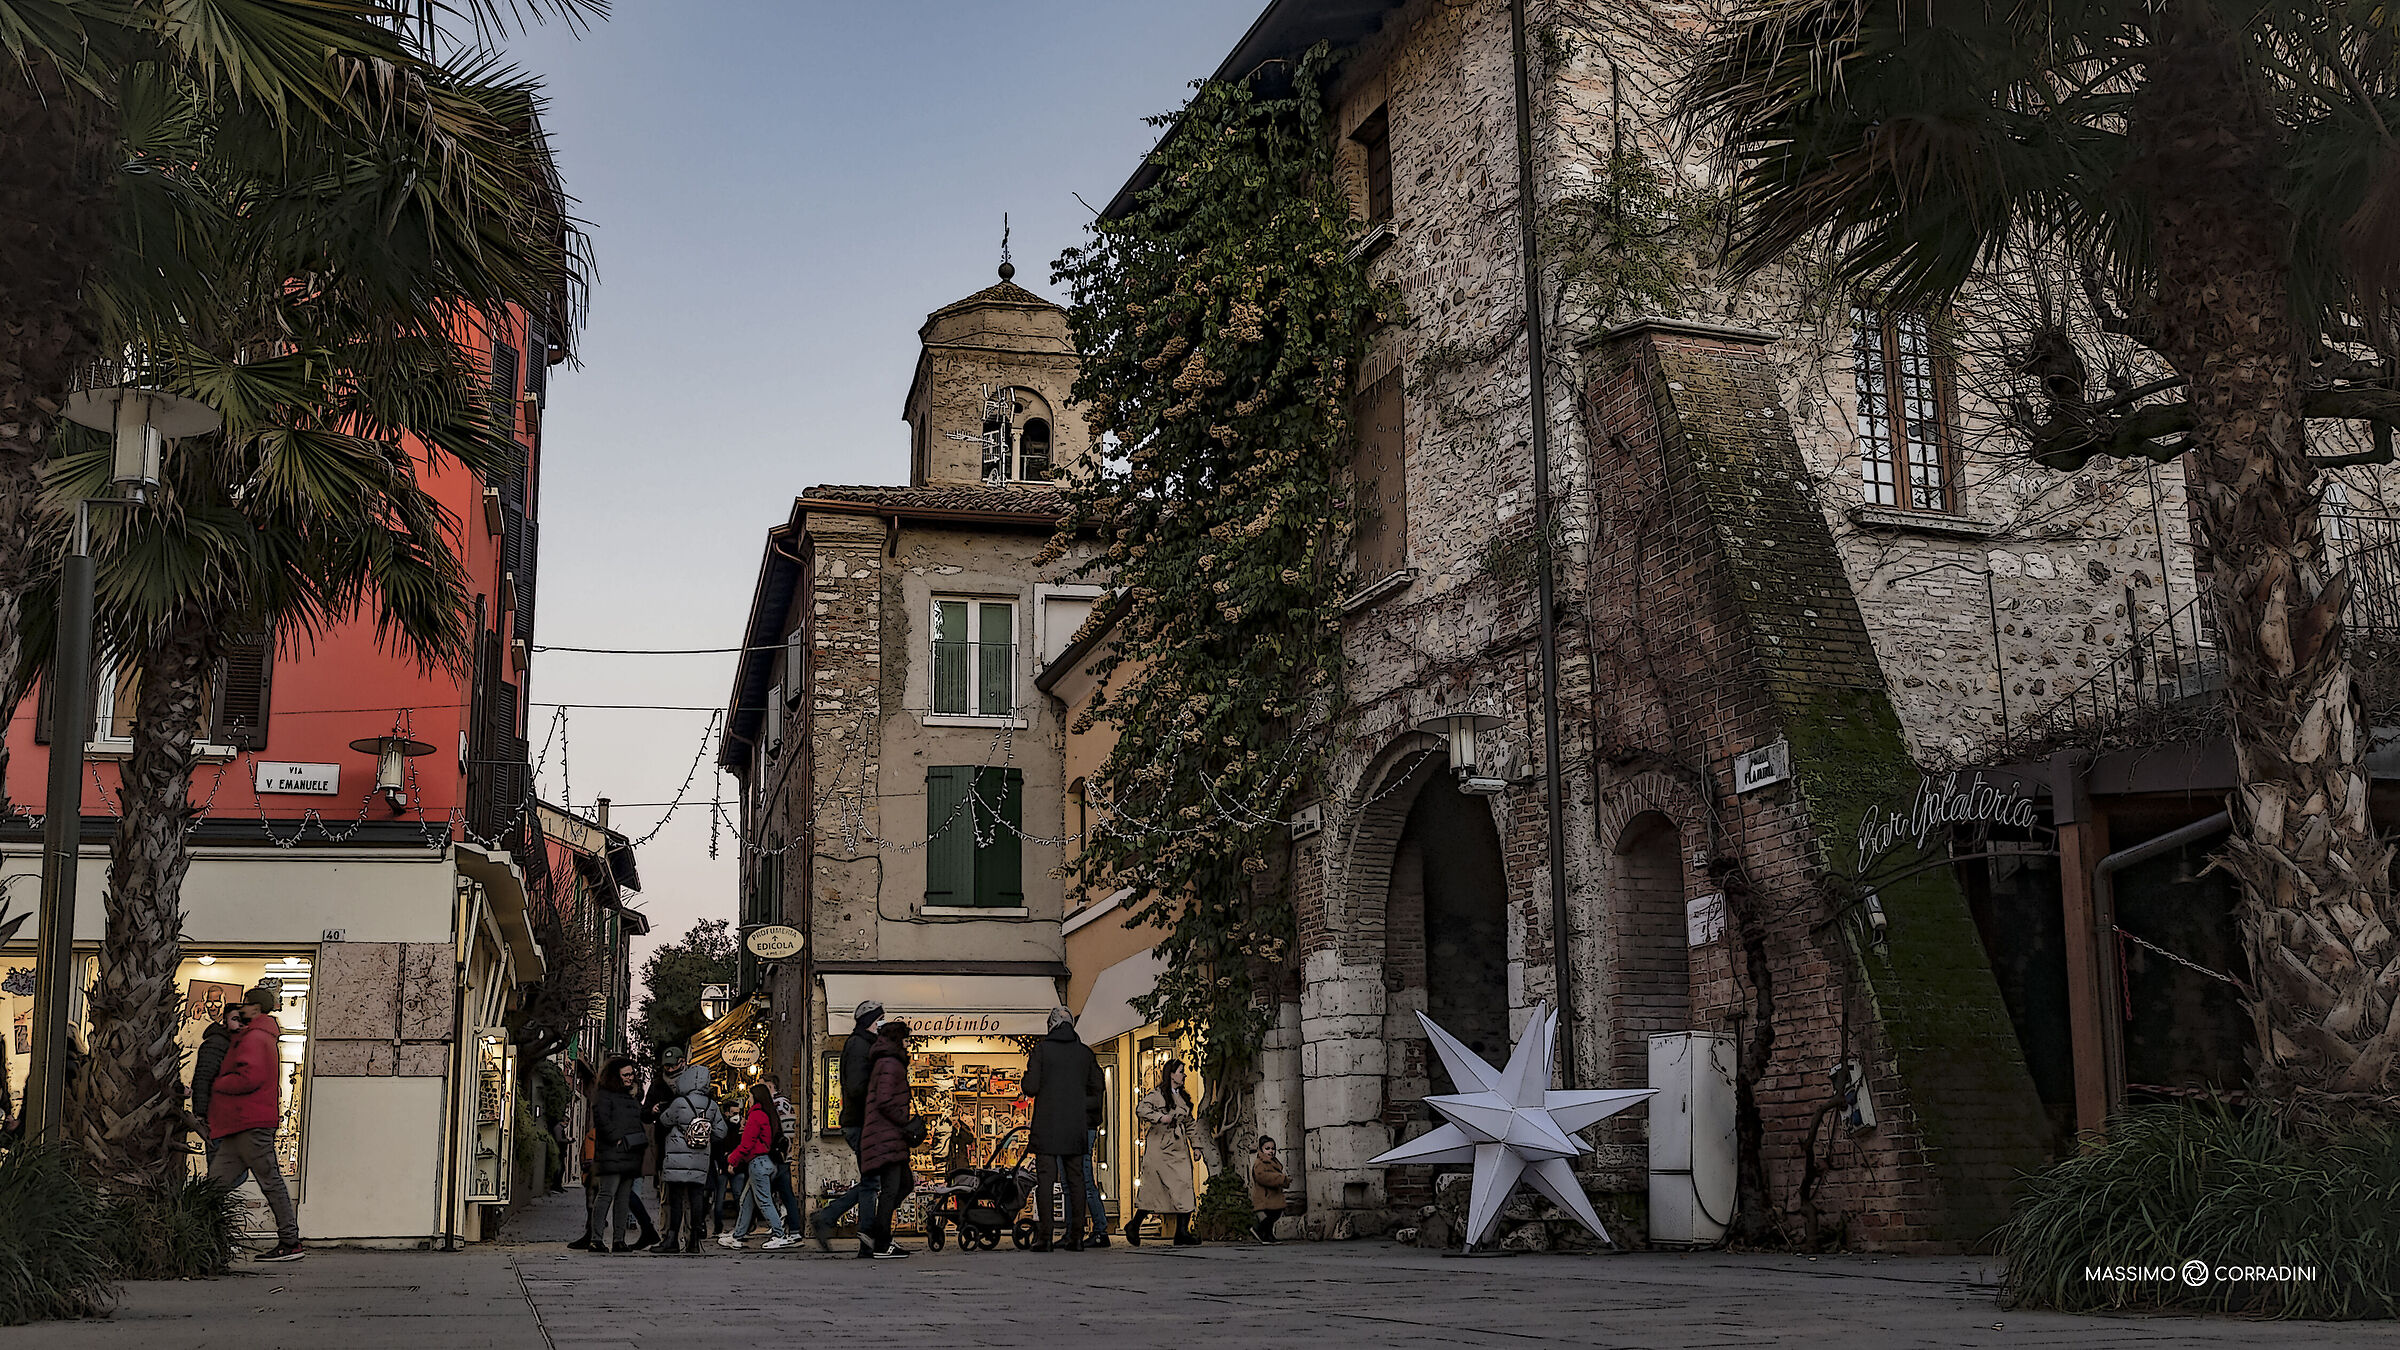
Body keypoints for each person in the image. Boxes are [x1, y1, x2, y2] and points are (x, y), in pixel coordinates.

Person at [207, 987, 304, 1261]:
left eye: (246, 1004)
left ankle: (290, 1241)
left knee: (269, 1181)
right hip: (242, 1124)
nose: (242, 1008)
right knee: (215, 1186)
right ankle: (207, 1238)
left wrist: (218, 1083)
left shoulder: (255, 1038)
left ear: (255, 1008)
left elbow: (249, 1077)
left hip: (249, 1123)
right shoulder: (260, 1036)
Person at [1020, 1006, 1104, 1252]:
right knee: (1076, 1179)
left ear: (1051, 1025)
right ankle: (1076, 1236)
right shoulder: (1084, 1054)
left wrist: (1030, 1076)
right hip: (1075, 1125)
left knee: (1046, 1180)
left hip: (1047, 1125)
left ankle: (1045, 1237)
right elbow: (1097, 1090)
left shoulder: (1042, 1051)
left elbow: (1031, 1086)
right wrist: (1077, 1103)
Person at [809, 998, 884, 1250]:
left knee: (870, 1181)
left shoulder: (862, 1044)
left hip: (860, 1122)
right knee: (871, 1182)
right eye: (878, 1020)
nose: (881, 1024)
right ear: (870, 1022)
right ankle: (864, 1234)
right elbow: (856, 1087)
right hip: (862, 1123)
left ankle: (828, 1218)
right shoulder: (860, 1046)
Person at [854, 1019, 916, 1259]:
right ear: (898, 1039)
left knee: (904, 1184)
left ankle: (878, 1233)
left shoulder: (885, 1060)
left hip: (887, 1135)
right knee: (892, 1188)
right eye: (907, 1039)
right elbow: (885, 1099)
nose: (909, 1044)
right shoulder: (891, 1062)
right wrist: (904, 1120)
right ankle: (881, 1241)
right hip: (888, 1135)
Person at [1127, 1059, 1200, 1246]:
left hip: (1179, 1149)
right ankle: (1135, 1225)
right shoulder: (1157, 1095)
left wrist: (1196, 1146)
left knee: (1184, 1186)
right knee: (1153, 1190)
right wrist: (1160, 1117)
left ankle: (1182, 1232)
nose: (1184, 1075)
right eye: (1181, 1072)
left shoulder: (1183, 1097)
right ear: (1171, 1074)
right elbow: (1141, 1109)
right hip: (1159, 1148)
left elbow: (1190, 1123)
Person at [720, 1082, 799, 1249]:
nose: (747, 1100)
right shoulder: (768, 1115)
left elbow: (747, 1144)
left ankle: (779, 1234)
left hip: (758, 1164)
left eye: (749, 1096)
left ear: (756, 1097)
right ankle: (737, 1236)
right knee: (746, 1200)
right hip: (767, 1162)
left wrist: (732, 1160)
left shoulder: (756, 1115)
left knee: (764, 1201)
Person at [656, 1058, 723, 1253]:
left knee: (676, 1200)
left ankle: (672, 1240)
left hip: (677, 1159)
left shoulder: (679, 1103)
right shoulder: (711, 1105)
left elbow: (664, 1121)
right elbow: (721, 1131)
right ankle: (694, 1240)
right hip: (700, 1159)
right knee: (696, 1199)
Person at [584, 1056, 648, 1253]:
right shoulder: (604, 1096)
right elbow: (602, 1121)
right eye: (626, 1075)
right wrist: (616, 1138)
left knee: (622, 1198)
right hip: (613, 1153)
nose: (631, 1078)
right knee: (606, 1195)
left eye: (632, 1074)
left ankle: (619, 1240)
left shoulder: (630, 1096)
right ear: (616, 1076)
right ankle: (596, 1239)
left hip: (629, 1153)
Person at [189, 1002, 243, 1165]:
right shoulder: (216, 1044)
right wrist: (203, 1115)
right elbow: (202, 1080)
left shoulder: (235, 1045)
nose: (240, 1023)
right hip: (216, 1117)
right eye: (235, 1018)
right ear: (225, 1021)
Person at [761, 1074, 805, 1234]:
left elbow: (782, 1134)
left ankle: (787, 1227)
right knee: (783, 1193)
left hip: (779, 1156)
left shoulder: (778, 1104)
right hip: (783, 1156)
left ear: (770, 1086)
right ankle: (788, 1227)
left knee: (779, 1193)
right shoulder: (783, 1103)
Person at [1250, 1137, 1289, 1243]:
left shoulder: (1274, 1162)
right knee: (1269, 1217)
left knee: (1274, 1215)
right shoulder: (1260, 1163)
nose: (1271, 1151)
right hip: (1265, 1197)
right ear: (1261, 1150)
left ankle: (1269, 1235)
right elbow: (1262, 1177)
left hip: (1273, 1197)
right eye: (1267, 1148)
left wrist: (1284, 1181)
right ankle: (1259, 1230)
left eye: (1273, 1148)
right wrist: (1280, 1179)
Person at [1081, 1127, 1111, 1247]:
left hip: (1083, 1129)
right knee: (1084, 1184)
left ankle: (1100, 1230)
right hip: (1080, 1128)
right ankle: (1099, 1230)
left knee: (1086, 1184)